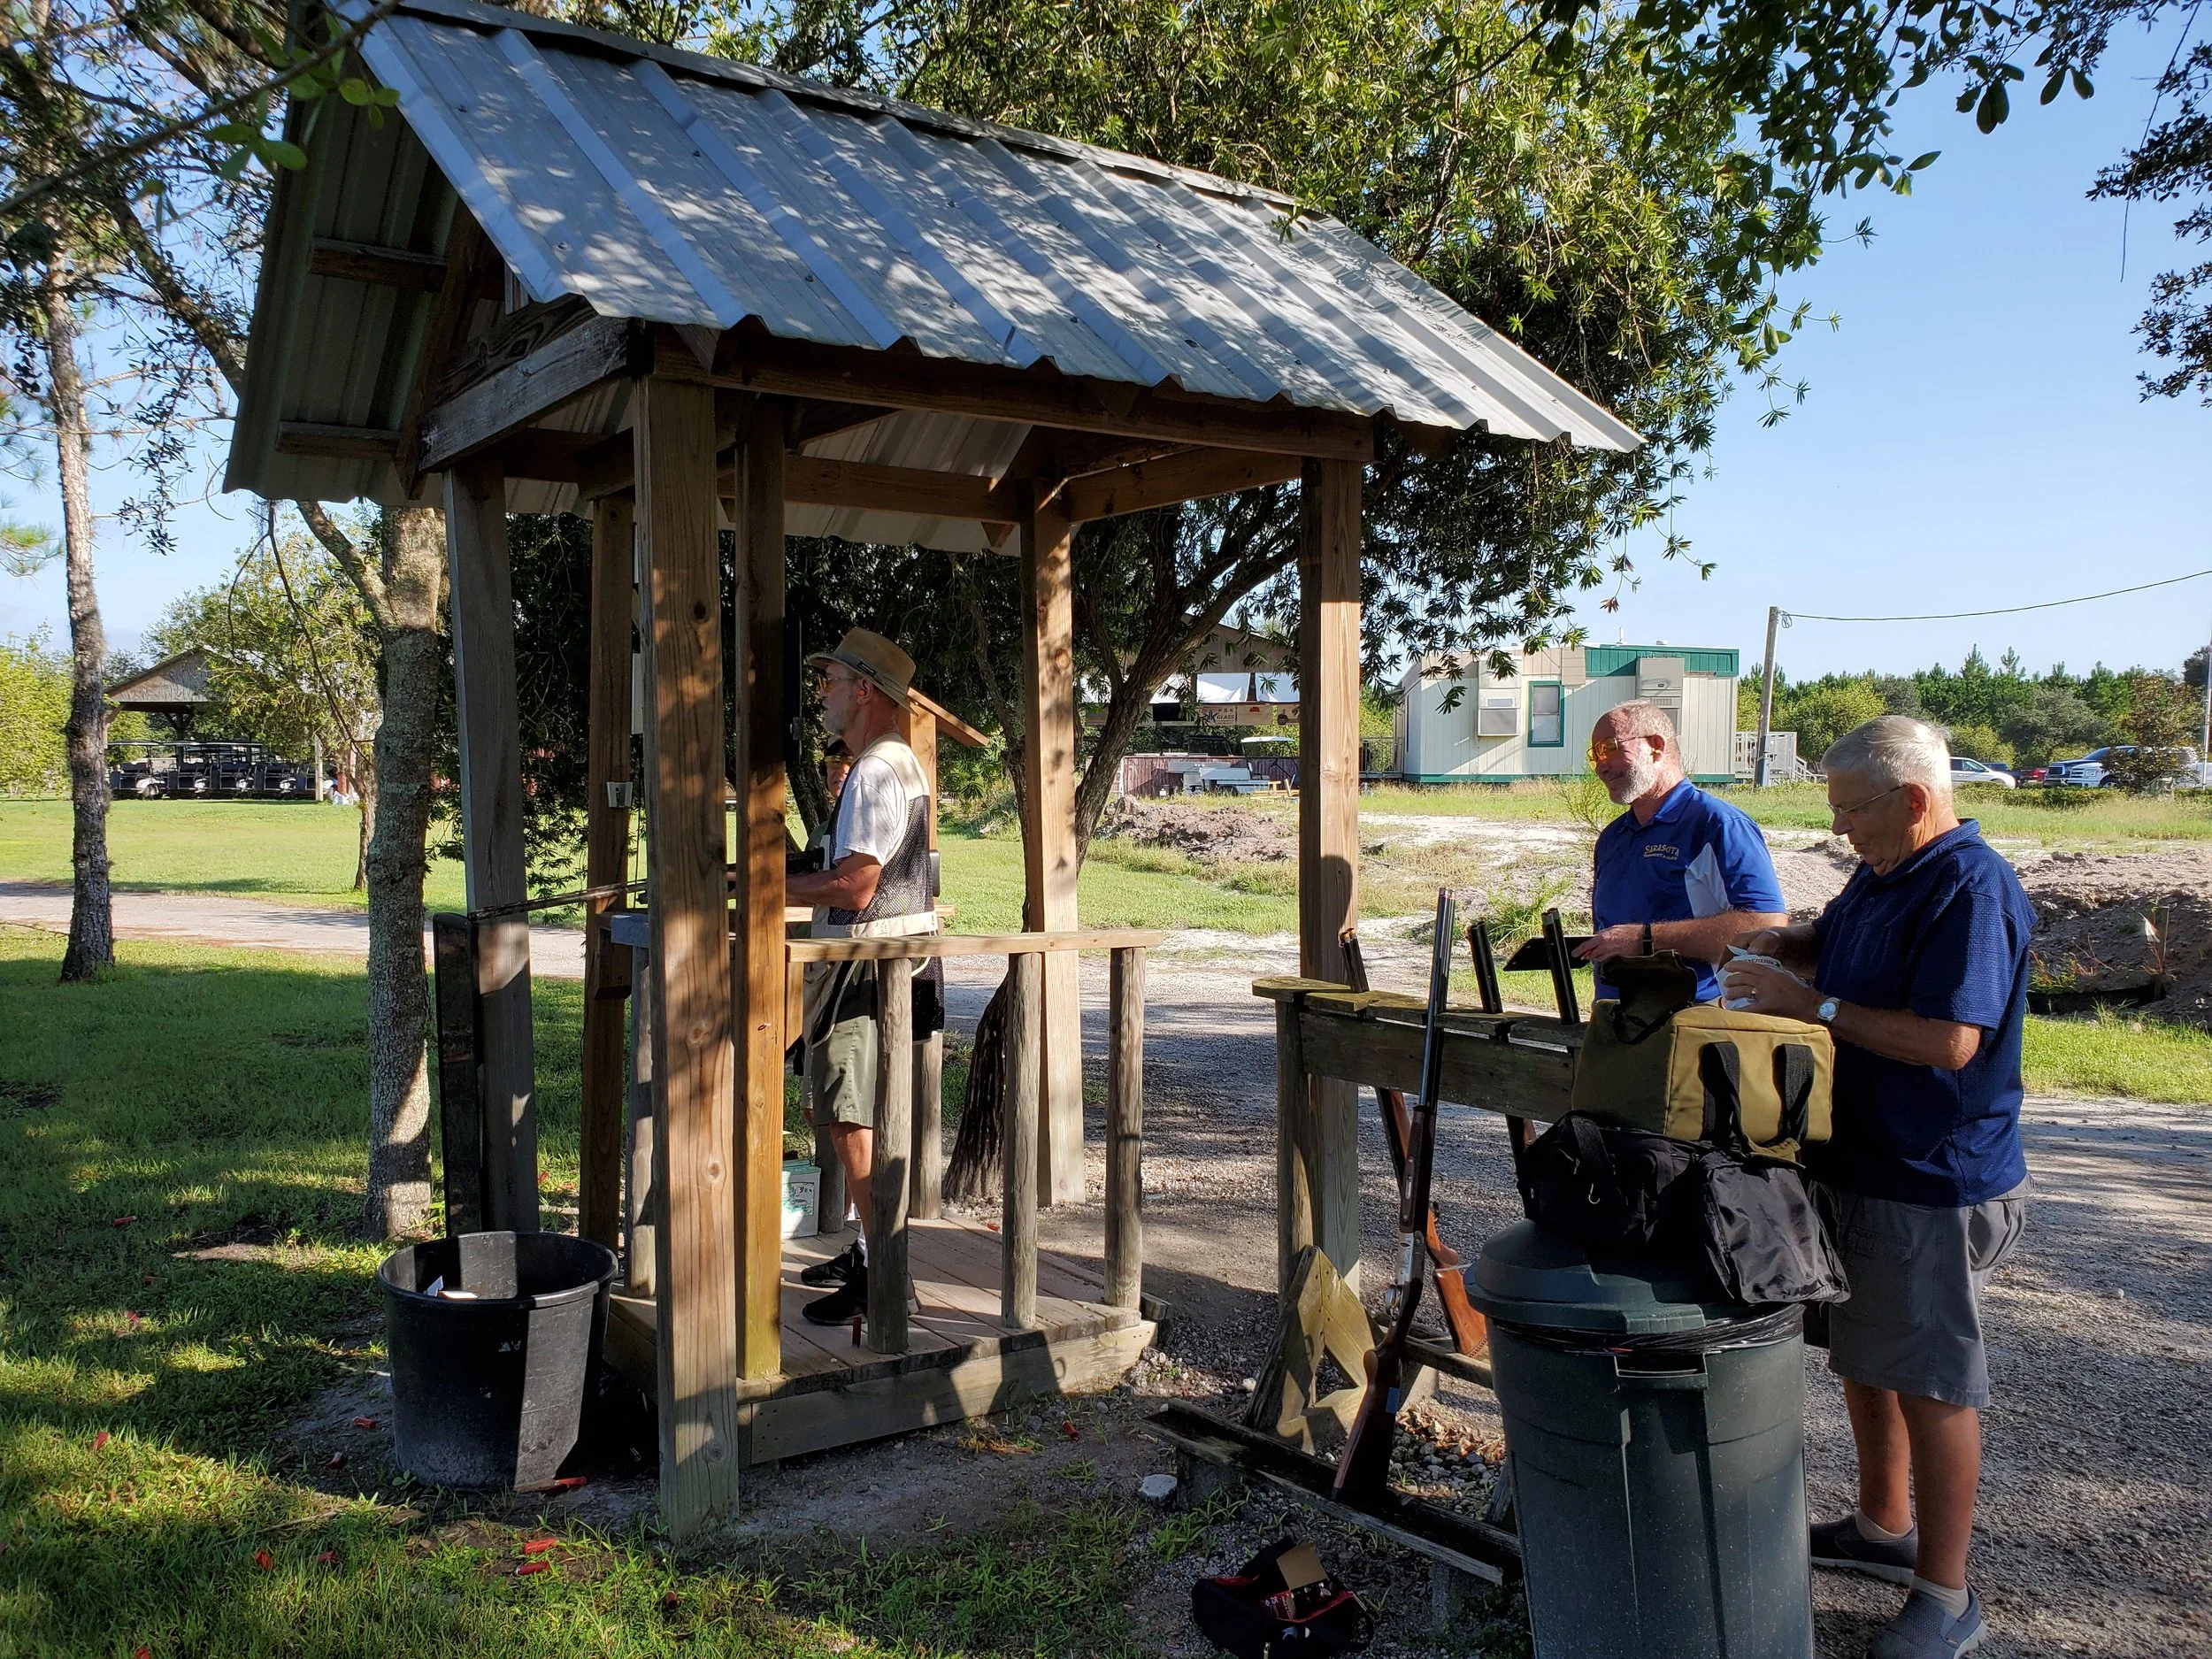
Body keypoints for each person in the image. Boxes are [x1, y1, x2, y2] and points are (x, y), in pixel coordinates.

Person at [1721, 716, 2034, 1659]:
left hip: (1931, 1178)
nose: (1840, 831)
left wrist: (1805, 1005)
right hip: (1854, 1162)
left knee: (1933, 1382)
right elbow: (1839, 936)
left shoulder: (1971, 888)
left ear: (1911, 798)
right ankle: (1881, 1526)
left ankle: (1946, 1597)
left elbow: (1949, 1042)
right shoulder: (1886, 871)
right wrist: (1781, 945)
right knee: (1863, 1355)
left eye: (1851, 811)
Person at [784, 628, 937, 1326]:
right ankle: (874, 1257)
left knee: (850, 1120)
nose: (823, 693)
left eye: (830, 681)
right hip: (877, 972)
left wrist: (768, 887)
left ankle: (883, 1274)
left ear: (864, 690)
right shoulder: (893, 762)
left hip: (863, 971)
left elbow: (856, 885)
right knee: (848, 1116)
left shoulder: (875, 771)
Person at [1575, 701, 1787, 1001]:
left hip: (1694, 1022)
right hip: (1614, 1022)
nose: (1601, 766)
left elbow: (1767, 928)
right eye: (1594, 755)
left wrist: (1645, 939)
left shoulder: (1719, 825)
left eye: (1609, 748)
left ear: (1656, 747)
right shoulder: (1612, 838)